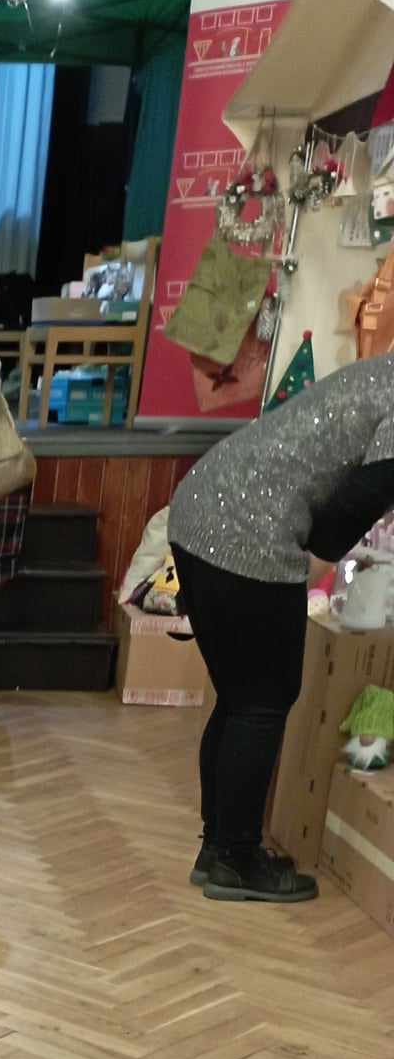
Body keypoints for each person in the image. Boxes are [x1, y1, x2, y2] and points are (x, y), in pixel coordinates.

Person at [169, 357, 394, 903]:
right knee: (263, 702)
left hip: (201, 508)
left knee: (239, 698)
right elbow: (367, 493)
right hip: (248, 533)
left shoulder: (382, 373)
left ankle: (220, 848)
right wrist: (318, 559)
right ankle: (237, 859)